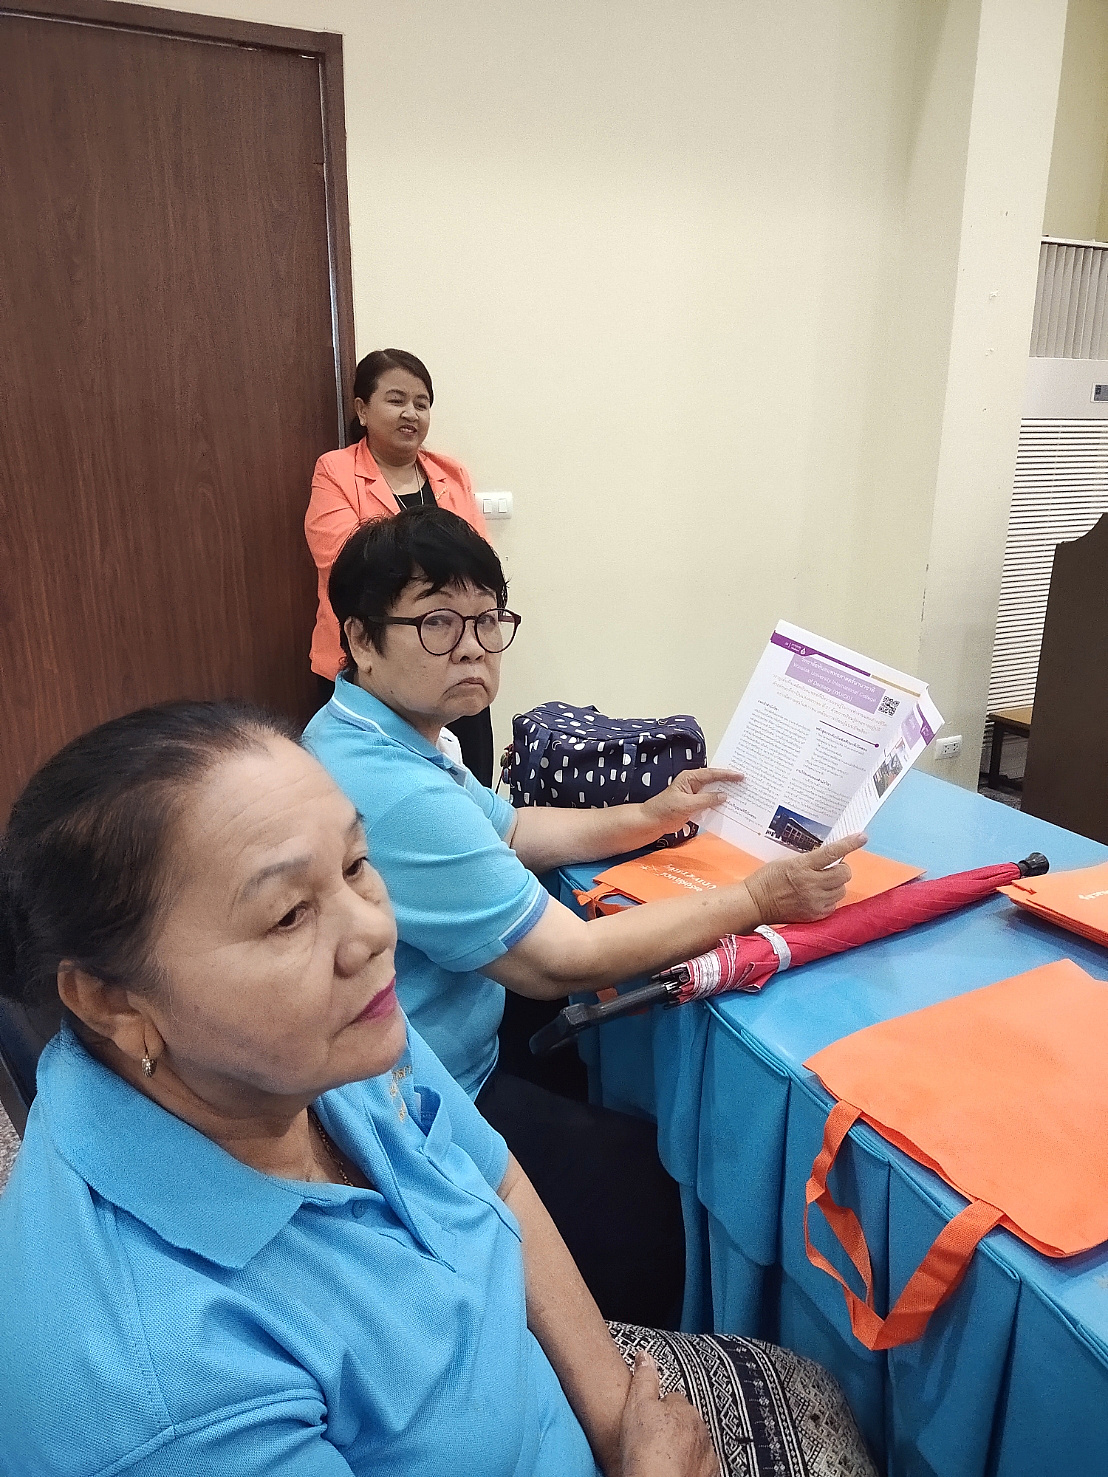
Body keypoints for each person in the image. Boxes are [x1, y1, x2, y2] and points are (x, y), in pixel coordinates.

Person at [0, 703, 876, 1477]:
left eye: (356, 864)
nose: (373, 932)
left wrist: (615, 1419)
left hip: (542, 1395)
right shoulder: (162, 1401)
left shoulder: (306, 1048)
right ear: (113, 1001)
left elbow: (492, 1178)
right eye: (288, 915)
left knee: (820, 1389)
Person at [303, 507, 865, 1326]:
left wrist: (649, 813)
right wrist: (757, 900)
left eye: (488, 621)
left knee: (613, 1064)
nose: (472, 646)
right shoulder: (390, 785)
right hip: (428, 1101)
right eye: (437, 622)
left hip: (456, 1044)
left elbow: (511, 828)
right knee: (656, 1198)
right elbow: (560, 959)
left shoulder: (378, 732)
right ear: (359, 637)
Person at [304, 348, 496, 783]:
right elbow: (348, 565)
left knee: (470, 788)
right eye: (396, 400)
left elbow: (480, 564)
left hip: (456, 656)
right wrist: (444, 572)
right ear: (362, 409)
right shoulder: (334, 471)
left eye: (421, 403)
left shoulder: (452, 474)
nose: (411, 413)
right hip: (370, 665)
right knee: (378, 792)